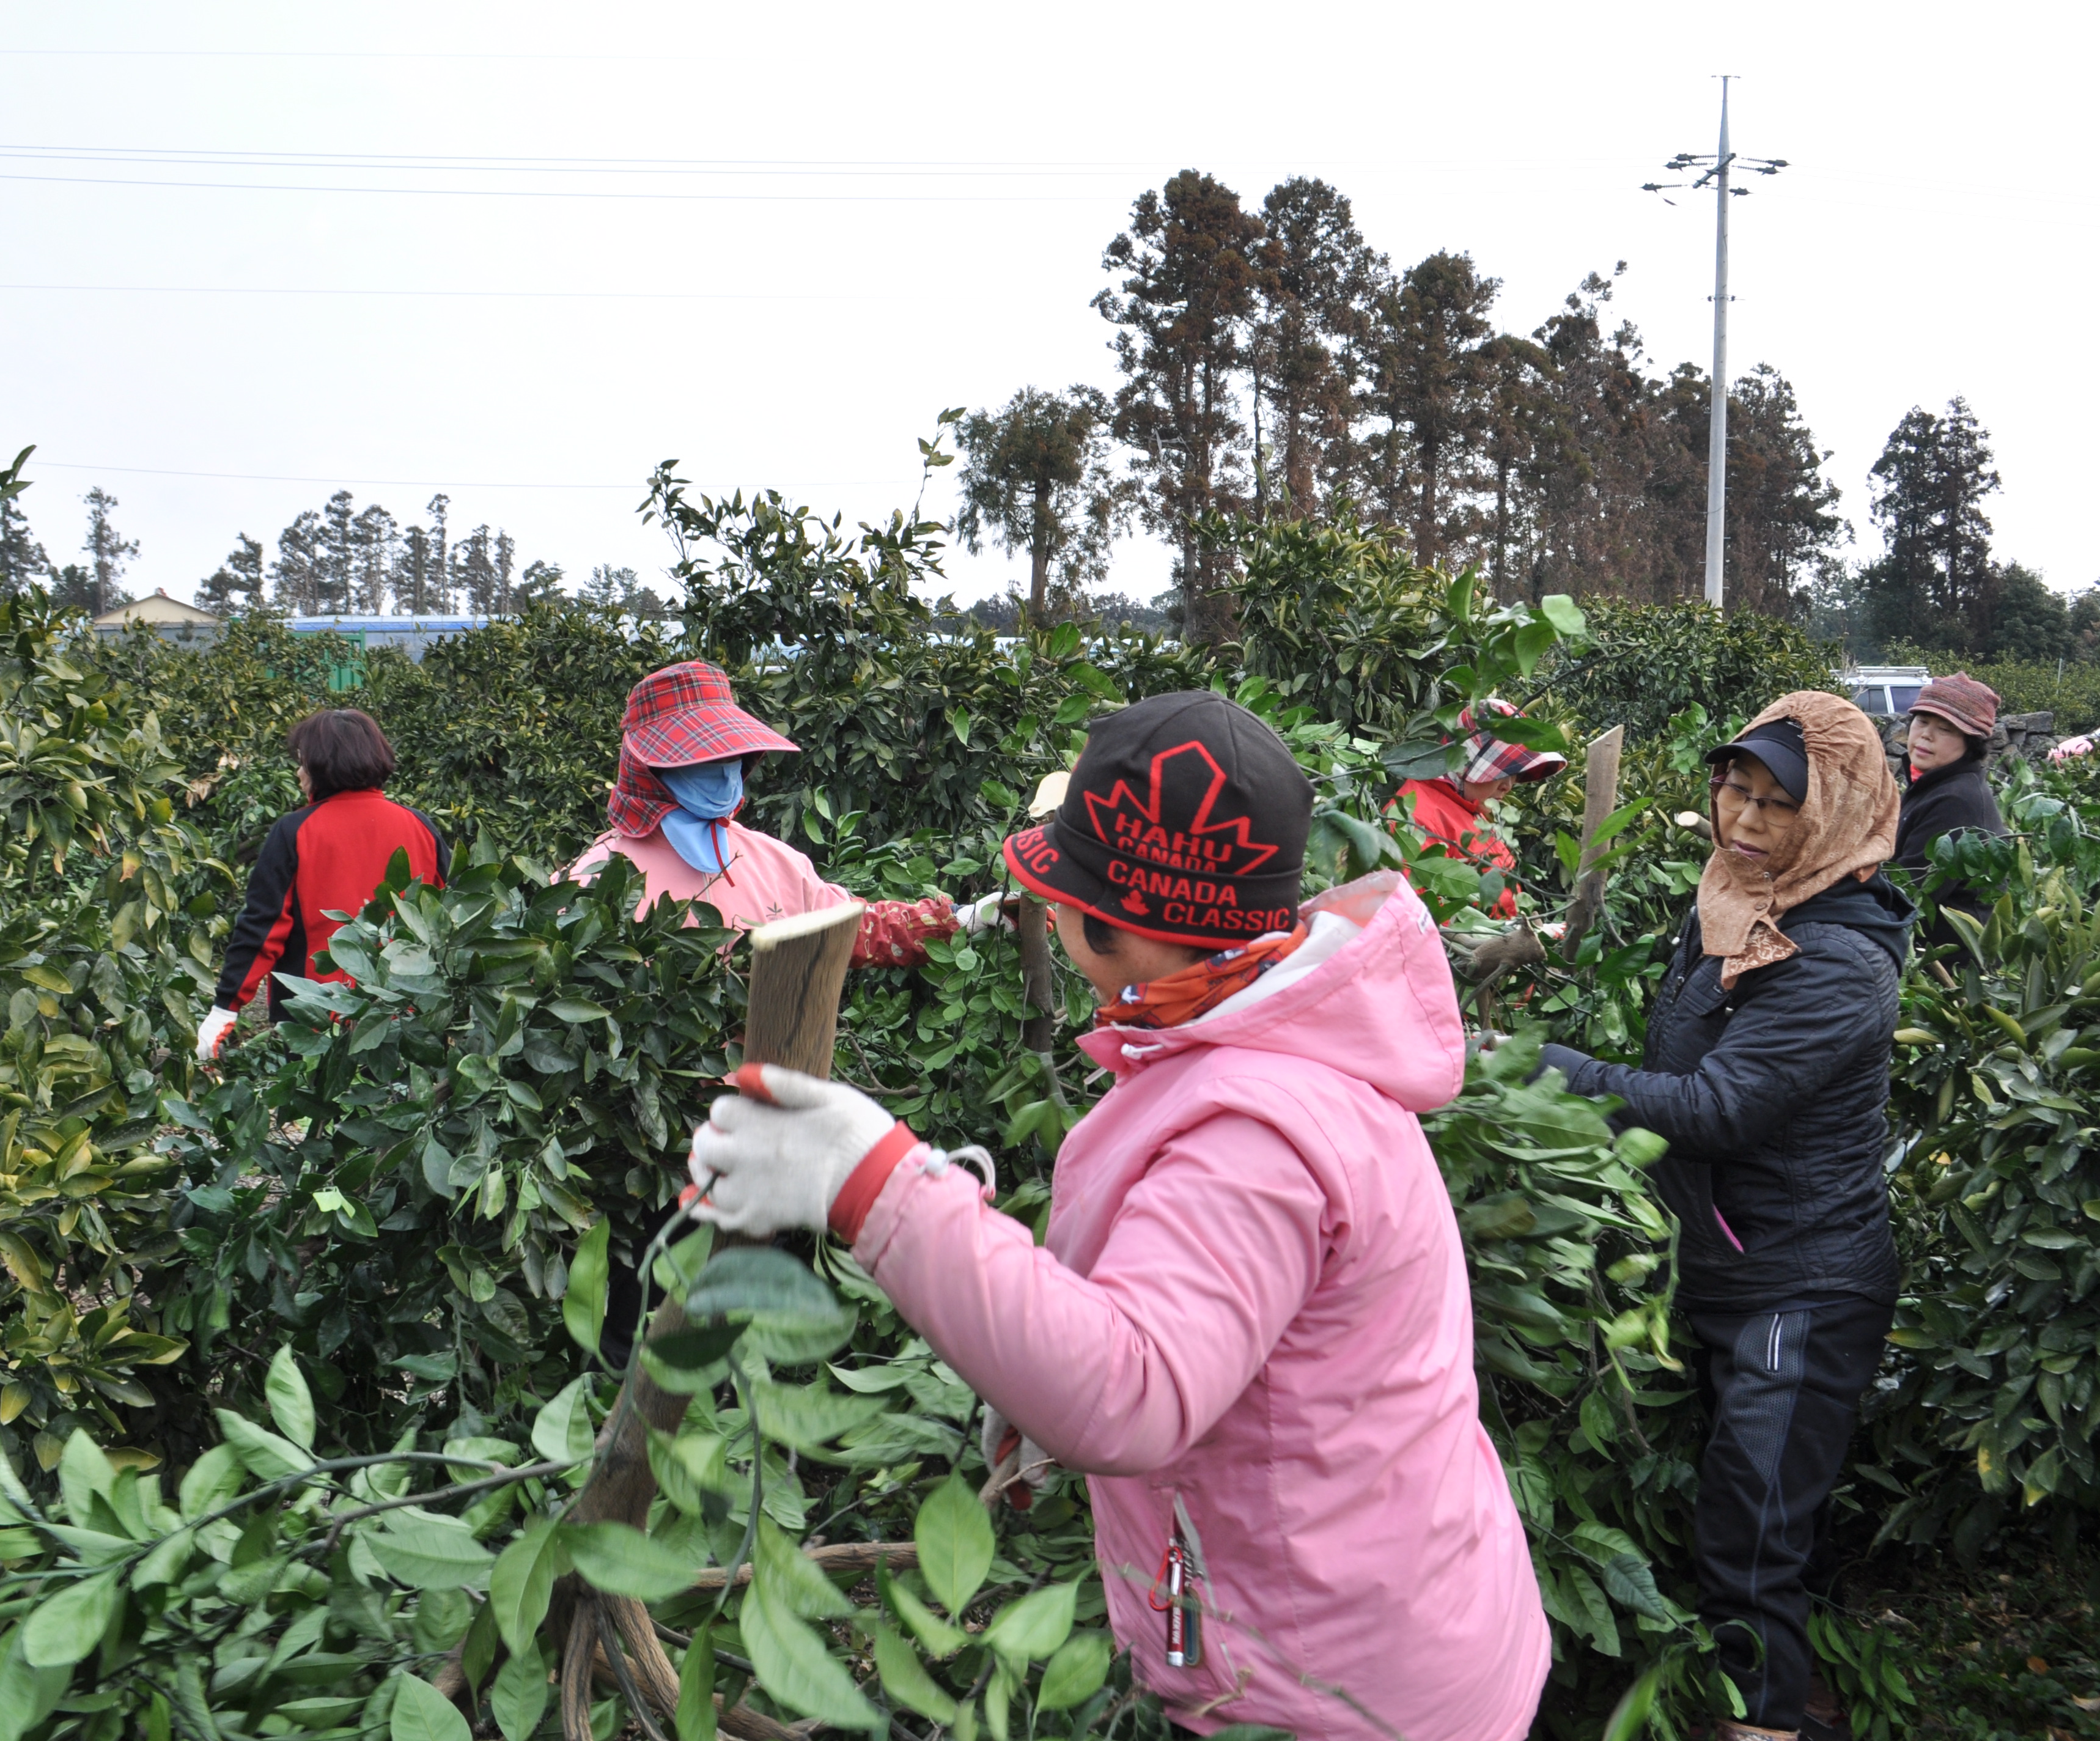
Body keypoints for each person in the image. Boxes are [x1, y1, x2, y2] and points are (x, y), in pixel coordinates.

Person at [686, 691, 1549, 1741]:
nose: (1039, 906)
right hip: (1384, 1621)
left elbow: (1130, 1388)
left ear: (1116, 924)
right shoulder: (1277, 1038)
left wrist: (872, 1179)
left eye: (1054, 887)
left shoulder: (1255, 1129)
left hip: (1325, 1695)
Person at [1536, 693, 1910, 1741]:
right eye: (1731, 790)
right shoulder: (1741, 900)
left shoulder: (1834, 956)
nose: (1740, 819)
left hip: (1797, 1278)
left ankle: (1763, 1721)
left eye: (1772, 803)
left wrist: (1549, 1071)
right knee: (1764, 1501)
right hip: (1732, 1260)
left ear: (1829, 812)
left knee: (1748, 1522)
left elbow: (1717, 1106)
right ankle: (1795, 1686)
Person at [570, 660, 998, 962]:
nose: (723, 770)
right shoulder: (596, 877)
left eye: (729, 754)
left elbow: (855, 932)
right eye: (700, 757)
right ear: (647, 767)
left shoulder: (772, 861)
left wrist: (963, 919)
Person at [197, 710, 451, 1059]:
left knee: (316, 1107)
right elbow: (452, 913)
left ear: (321, 765)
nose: (299, 773)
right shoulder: (419, 826)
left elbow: (261, 928)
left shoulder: (295, 832)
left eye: (303, 763)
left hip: (316, 1021)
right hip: (405, 1015)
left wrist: (225, 1008)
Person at [1391, 699, 1567, 918]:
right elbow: (1423, 920)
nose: (1508, 786)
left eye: (1515, 773)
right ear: (1466, 764)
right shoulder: (1416, 816)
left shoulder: (1467, 807)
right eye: (1500, 772)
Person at [1891, 672, 2007, 938]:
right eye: (1922, 722)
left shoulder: (1956, 801)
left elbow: (1909, 894)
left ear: (1971, 744)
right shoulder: (1931, 785)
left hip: (1949, 967)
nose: (1926, 735)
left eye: (1945, 730)